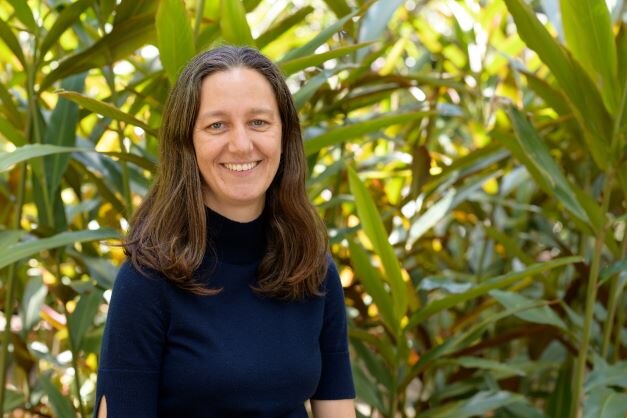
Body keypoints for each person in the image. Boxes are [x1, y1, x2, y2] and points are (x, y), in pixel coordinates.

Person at [94, 46, 356, 418]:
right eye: (217, 125)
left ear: (285, 135)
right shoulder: (148, 279)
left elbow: (337, 411)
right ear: (187, 142)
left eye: (258, 122)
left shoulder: (311, 267)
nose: (241, 145)